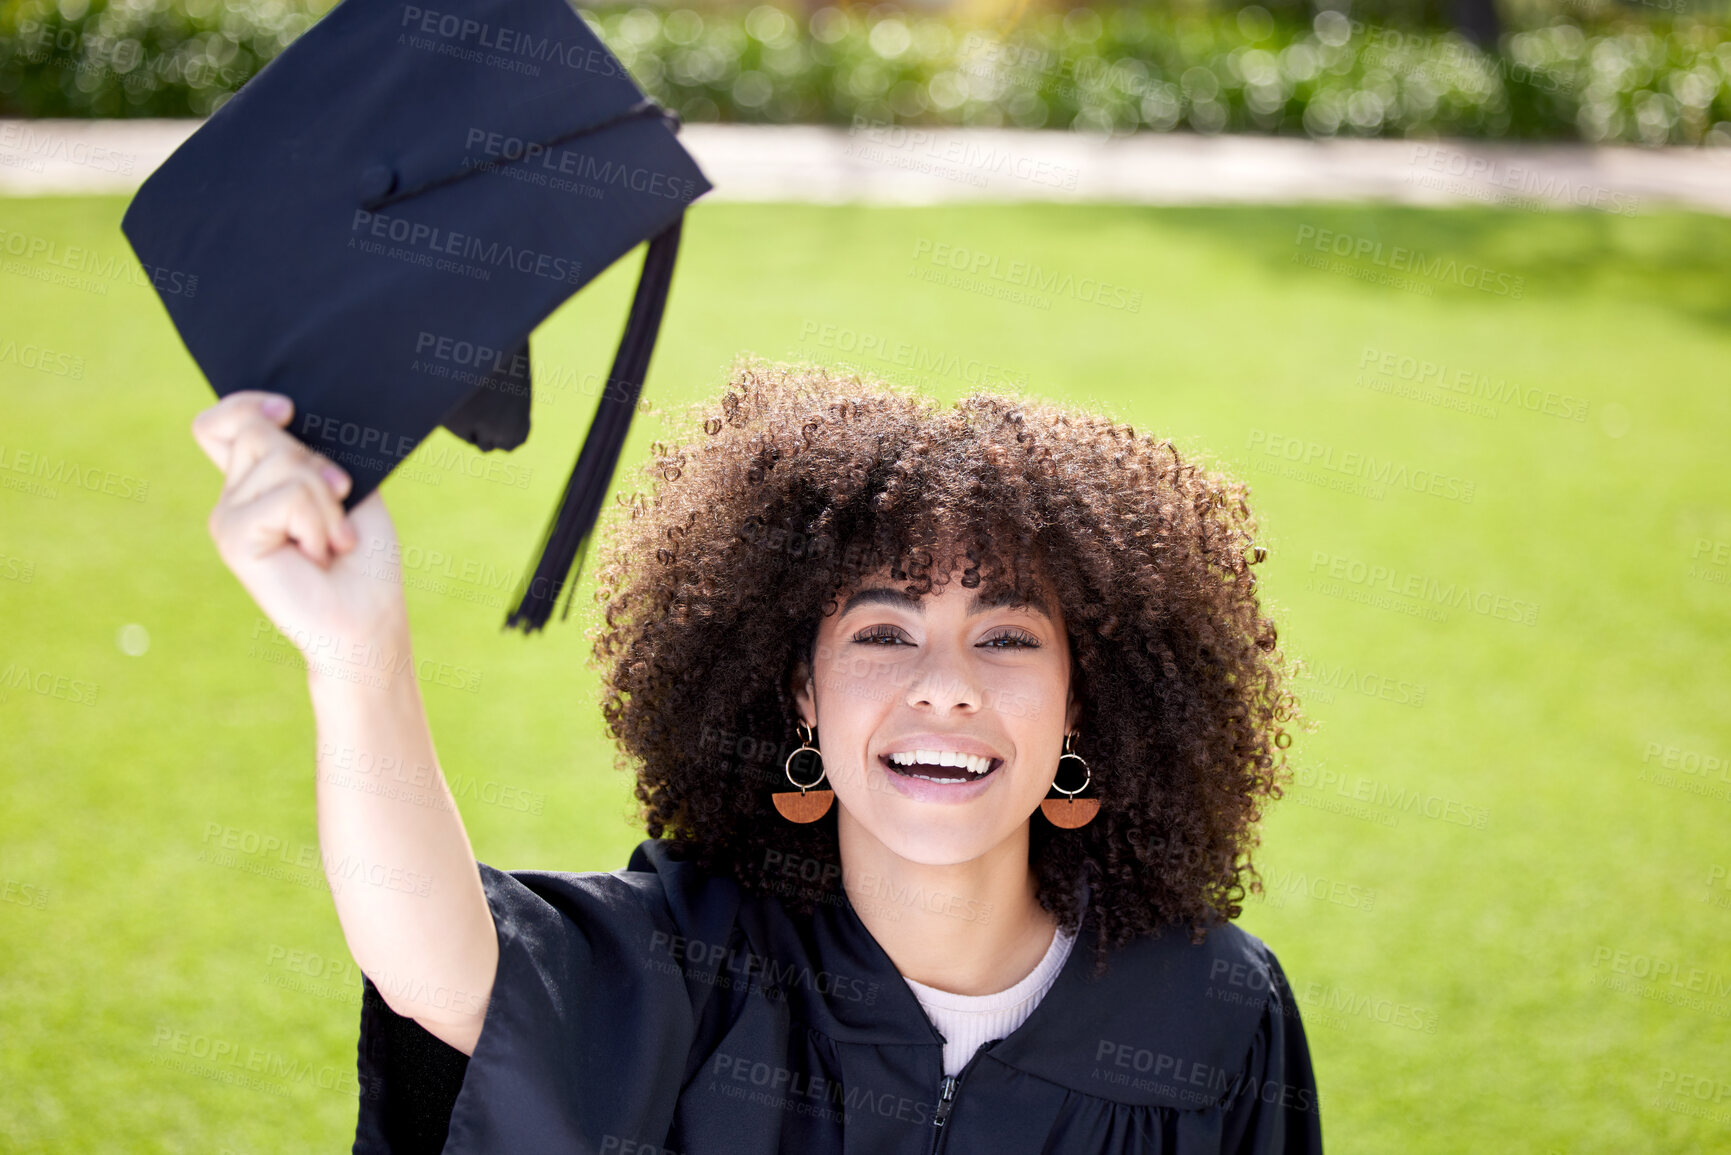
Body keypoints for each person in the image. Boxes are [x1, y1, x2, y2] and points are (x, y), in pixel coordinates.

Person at [192, 359, 1321, 1153]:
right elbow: (438, 964)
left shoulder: (1209, 1010)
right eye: (882, 632)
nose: (944, 682)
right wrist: (357, 656)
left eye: (1009, 635)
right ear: (799, 690)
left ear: (1083, 702)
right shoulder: (694, 971)